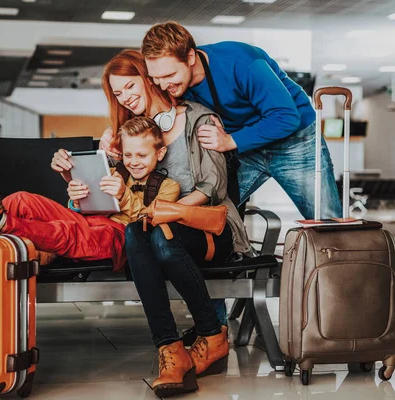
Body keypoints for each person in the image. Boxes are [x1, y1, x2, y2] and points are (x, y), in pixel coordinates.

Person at [101, 21, 342, 328]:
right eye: (156, 78)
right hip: (243, 147)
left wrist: (232, 141)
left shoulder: (243, 63)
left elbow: (286, 116)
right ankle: (214, 327)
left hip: (294, 141)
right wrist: (113, 131)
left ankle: (344, 313)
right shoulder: (176, 84)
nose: (162, 85)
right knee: (204, 220)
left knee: (330, 227)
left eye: (169, 76)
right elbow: (152, 112)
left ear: (190, 57)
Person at [102, 49, 251, 397]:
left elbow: (213, 186)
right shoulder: (132, 134)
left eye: (129, 86)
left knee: (157, 236)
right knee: (135, 234)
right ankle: (170, 350)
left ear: (148, 76)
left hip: (213, 228)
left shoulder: (199, 119)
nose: (125, 97)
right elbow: (127, 196)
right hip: (160, 229)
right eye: (117, 93)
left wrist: (166, 212)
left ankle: (211, 334)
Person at [0, 117, 180, 270]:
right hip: (89, 220)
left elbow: (152, 224)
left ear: (159, 153)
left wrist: (124, 196)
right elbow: (80, 208)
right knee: (21, 199)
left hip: (119, 237)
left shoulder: (169, 187)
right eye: (128, 155)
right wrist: (77, 198)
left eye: (141, 155)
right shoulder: (113, 171)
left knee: (65, 231)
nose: (133, 161)